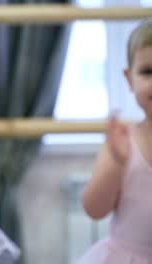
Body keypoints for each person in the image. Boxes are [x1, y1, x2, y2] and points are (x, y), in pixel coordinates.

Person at [79, 19, 152, 263]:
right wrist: (116, 164)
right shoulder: (123, 143)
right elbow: (94, 209)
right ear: (129, 78)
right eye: (147, 72)